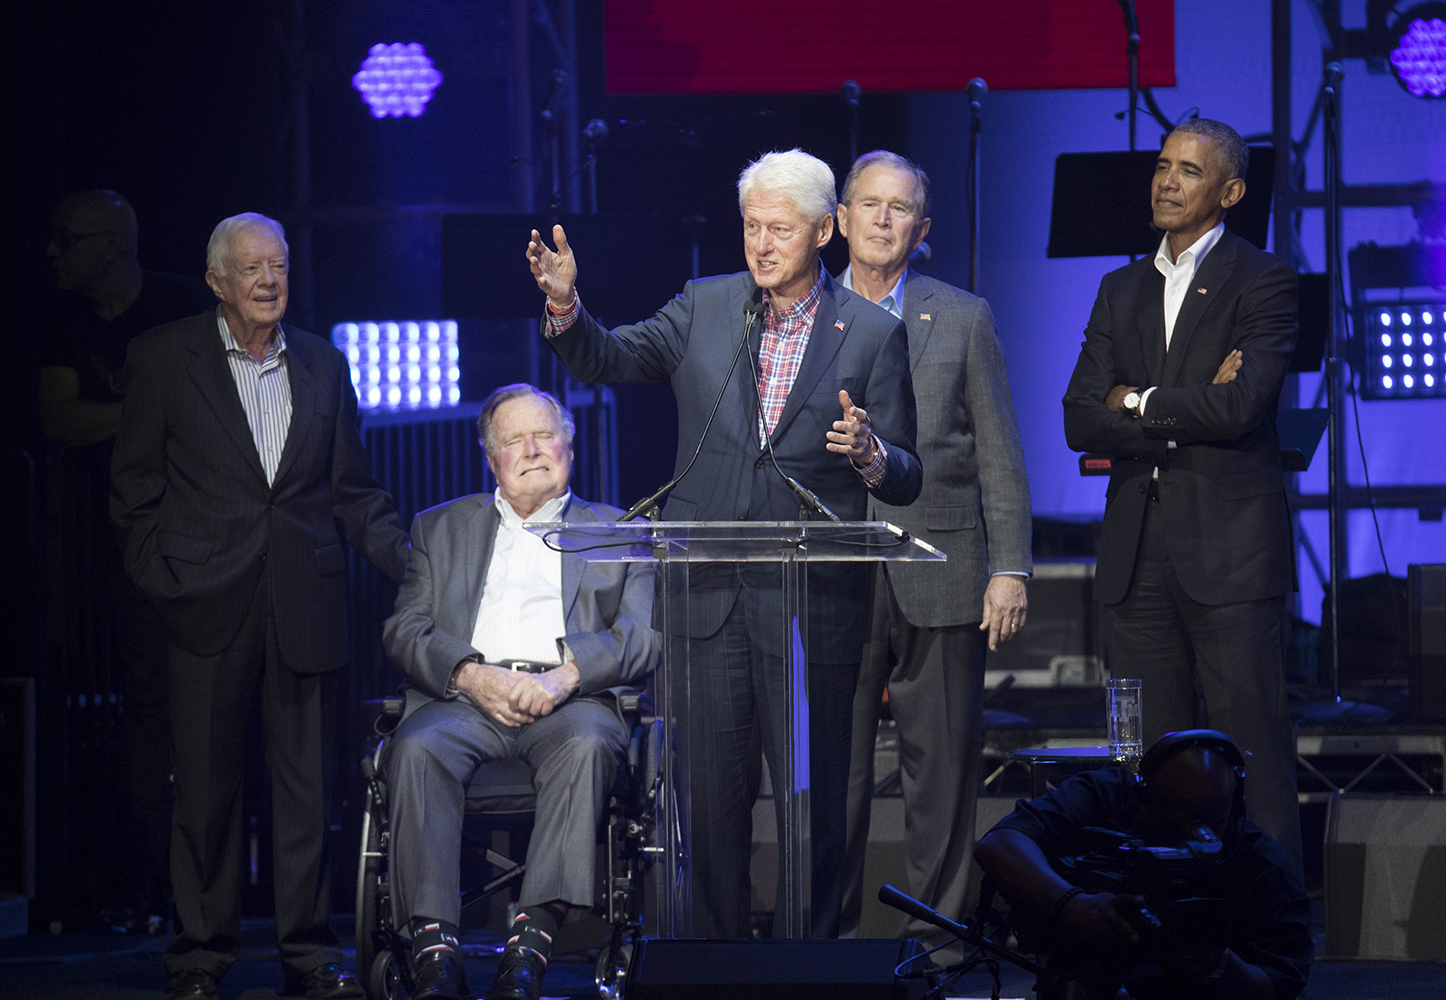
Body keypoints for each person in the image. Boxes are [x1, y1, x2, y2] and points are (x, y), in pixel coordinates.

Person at [526, 148, 922, 938]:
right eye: (751, 226)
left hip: (812, 613)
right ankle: (716, 968)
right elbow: (613, 356)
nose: (761, 243)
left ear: (820, 231)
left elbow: (908, 472)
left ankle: (809, 971)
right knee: (709, 808)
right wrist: (568, 307)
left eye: (779, 228)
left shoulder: (873, 334)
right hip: (705, 607)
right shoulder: (705, 307)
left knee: (811, 809)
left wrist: (873, 456)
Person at [110, 213, 410, 1000]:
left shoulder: (322, 363)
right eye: (252, 269)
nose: (270, 280)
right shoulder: (162, 358)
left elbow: (353, 493)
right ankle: (200, 959)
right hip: (202, 604)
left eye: (277, 265)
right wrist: (160, 578)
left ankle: (308, 957)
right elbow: (133, 490)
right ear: (217, 283)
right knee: (205, 797)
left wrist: (418, 567)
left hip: (303, 606)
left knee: (306, 794)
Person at [1062, 118, 1301, 867]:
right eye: (1163, 165)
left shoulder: (1262, 279)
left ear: (1229, 192)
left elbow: (1241, 408)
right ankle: (1155, 925)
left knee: (1250, 751)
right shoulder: (1119, 286)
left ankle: (1272, 931)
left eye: (1189, 171)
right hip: (1137, 560)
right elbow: (1078, 417)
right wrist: (1173, 404)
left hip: (1230, 556)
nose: (1167, 181)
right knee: (1145, 758)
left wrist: (1133, 402)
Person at [381, 384, 658, 1000]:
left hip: (572, 703)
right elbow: (404, 629)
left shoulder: (622, 531)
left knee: (589, 744)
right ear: (492, 458)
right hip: (466, 699)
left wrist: (565, 676)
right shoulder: (439, 528)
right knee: (416, 748)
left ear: (569, 445)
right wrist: (470, 675)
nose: (532, 449)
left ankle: (530, 947)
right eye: (513, 440)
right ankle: (434, 953)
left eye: (544, 435)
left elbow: (643, 638)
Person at [833, 152, 1033, 951]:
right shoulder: (792, 313)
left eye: (900, 208)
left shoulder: (963, 315)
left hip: (944, 565)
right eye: (869, 204)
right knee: (831, 778)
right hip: (833, 572)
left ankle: (942, 943)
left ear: (923, 230)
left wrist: (1010, 567)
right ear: (839, 218)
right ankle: (827, 946)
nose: (883, 219)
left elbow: (1000, 452)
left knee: (942, 773)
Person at [37, 189, 212, 928]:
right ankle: (148, 882)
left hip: (204, 541)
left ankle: (208, 879)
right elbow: (58, 418)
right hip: (109, 547)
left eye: (65, 238)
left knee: (207, 704)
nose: (51, 252)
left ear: (110, 244)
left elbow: (215, 410)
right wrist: (152, 413)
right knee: (142, 707)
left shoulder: (179, 305)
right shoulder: (64, 321)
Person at [974, 731, 1312, 1000]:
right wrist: (1074, 904)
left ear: (1235, 807)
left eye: (1208, 819)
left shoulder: (1264, 867)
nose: (1193, 834)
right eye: (1178, 816)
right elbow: (1000, 844)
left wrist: (1215, 962)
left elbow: (1277, 986)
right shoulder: (1105, 795)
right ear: (1143, 800)